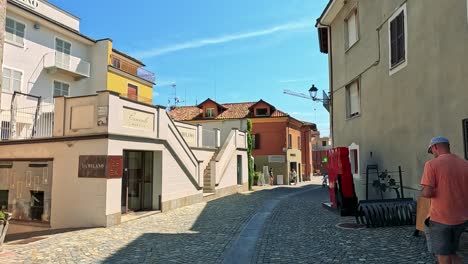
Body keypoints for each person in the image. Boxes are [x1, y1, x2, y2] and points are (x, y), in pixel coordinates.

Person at [420, 136, 468, 264]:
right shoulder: (465, 164)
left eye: (432, 151)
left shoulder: (431, 165)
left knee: (443, 256)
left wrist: (424, 191)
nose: (433, 154)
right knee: (452, 253)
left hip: (441, 218)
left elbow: (427, 192)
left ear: (435, 147)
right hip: (461, 218)